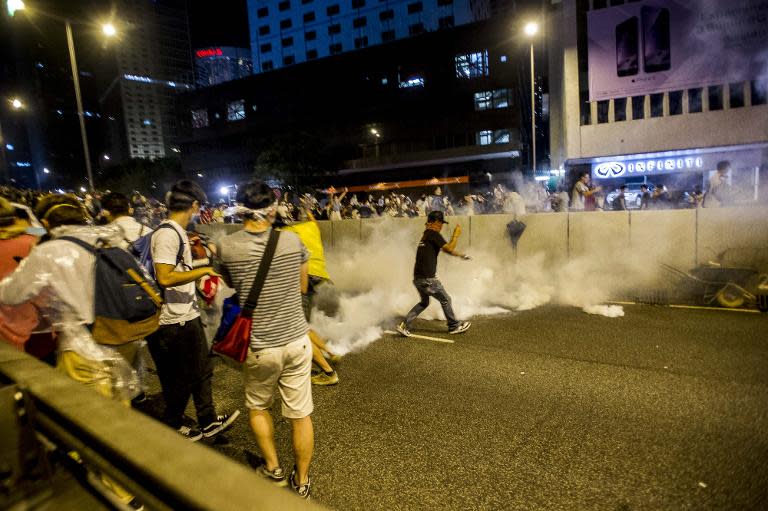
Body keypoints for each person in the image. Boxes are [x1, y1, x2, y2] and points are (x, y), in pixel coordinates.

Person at [0, 193, 143, 509]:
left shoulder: (50, 252)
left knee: (94, 422)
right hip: (120, 338)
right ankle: (122, 481)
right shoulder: (109, 239)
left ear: (48, 222)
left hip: (82, 348)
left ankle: (120, 495)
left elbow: (11, 294)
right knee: (119, 411)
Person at [216, 181, 315, 499]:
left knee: (258, 407)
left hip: (260, 345)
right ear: (273, 209)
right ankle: (301, 481)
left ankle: (272, 468)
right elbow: (302, 288)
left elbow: (231, 284)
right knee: (300, 415)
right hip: (297, 340)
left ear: (239, 209)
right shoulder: (292, 240)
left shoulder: (226, 246)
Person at [146, 180, 239, 441]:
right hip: (173, 320)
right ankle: (174, 423)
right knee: (180, 377)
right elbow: (164, 277)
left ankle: (208, 421)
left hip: (188, 313)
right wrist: (204, 271)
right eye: (200, 207)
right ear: (195, 205)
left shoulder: (177, 232)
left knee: (201, 369)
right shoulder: (167, 234)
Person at [279, 208, 341, 386]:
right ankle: (330, 351)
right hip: (320, 276)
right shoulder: (310, 227)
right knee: (303, 325)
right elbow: (314, 222)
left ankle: (327, 371)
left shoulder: (281, 235)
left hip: (303, 278)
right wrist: (308, 212)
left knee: (296, 330)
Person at [396, 211, 472, 336]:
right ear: (436, 222)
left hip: (418, 279)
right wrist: (456, 235)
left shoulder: (426, 235)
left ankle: (404, 325)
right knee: (446, 299)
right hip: (428, 279)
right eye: (441, 222)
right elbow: (449, 248)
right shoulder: (433, 233)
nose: (441, 226)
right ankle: (454, 326)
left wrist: (461, 255)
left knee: (424, 302)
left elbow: (448, 251)